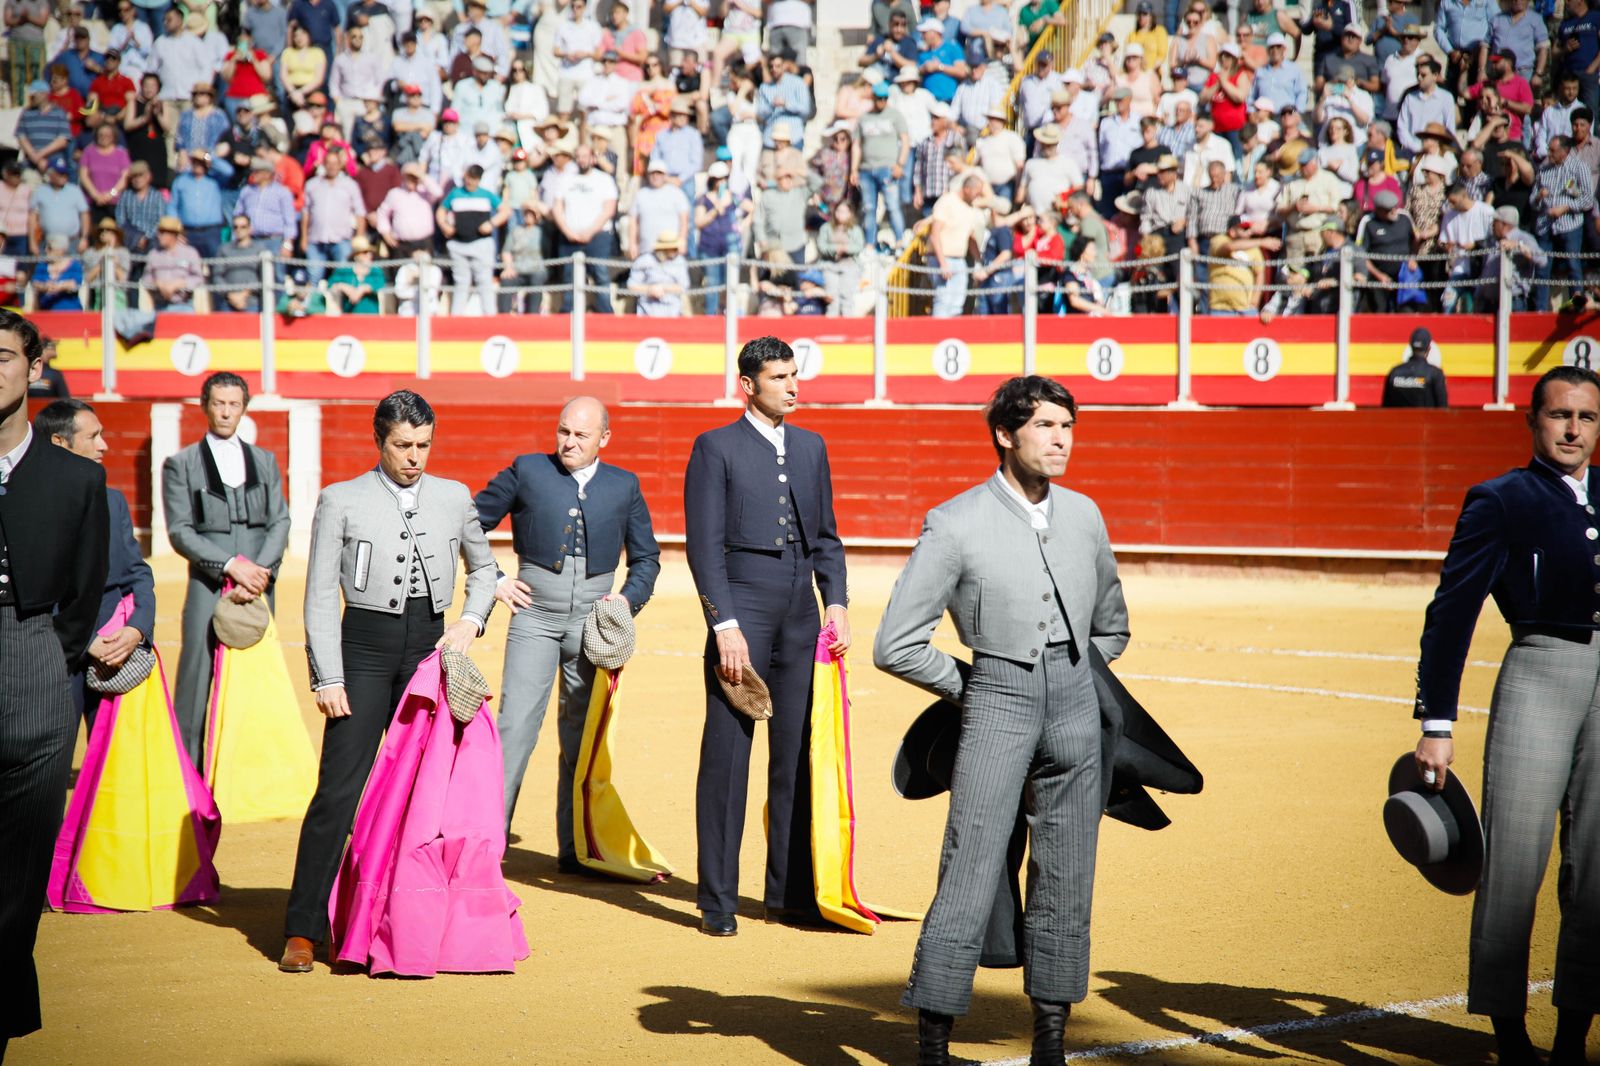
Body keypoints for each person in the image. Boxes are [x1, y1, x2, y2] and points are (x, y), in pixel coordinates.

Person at [874, 374, 1128, 1066]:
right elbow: (894, 644)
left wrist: (1076, 680)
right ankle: (932, 1048)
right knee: (971, 869)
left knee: (1068, 875)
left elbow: (1112, 627)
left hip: (1076, 714)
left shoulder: (1085, 516)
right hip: (994, 704)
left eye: (1068, 427)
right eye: (1045, 426)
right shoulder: (955, 522)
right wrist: (974, 683)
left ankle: (1051, 1043)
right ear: (1005, 434)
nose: (1060, 440)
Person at [1411, 364, 1600, 1066]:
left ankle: (1575, 1037)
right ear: (1533, 422)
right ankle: (1510, 1035)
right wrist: (1437, 721)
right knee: (1514, 859)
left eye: (1586, 417)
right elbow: (1452, 612)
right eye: (1560, 416)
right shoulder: (1501, 498)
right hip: (1539, 674)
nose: (1573, 429)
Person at [281, 389, 497, 974]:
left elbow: (487, 569)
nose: (414, 457)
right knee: (340, 790)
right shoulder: (341, 499)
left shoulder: (453, 498)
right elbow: (322, 593)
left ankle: (402, 920)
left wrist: (471, 622)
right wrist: (328, 674)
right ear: (380, 441)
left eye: (424, 445)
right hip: (364, 652)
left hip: (428, 650)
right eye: (403, 445)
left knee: (421, 795)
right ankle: (303, 927)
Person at [684, 335, 849, 937]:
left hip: (801, 611)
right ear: (748, 385)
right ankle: (718, 901)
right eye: (780, 377)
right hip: (744, 608)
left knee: (797, 753)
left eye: (795, 374)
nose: (793, 385)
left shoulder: (811, 447)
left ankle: (791, 894)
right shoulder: (715, 447)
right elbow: (703, 547)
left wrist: (836, 603)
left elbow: (826, 535)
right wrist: (723, 624)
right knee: (728, 755)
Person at [474, 396, 659, 856]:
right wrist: (496, 579)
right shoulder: (529, 469)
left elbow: (647, 559)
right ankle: (487, 843)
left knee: (581, 736)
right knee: (515, 727)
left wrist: (626, 600)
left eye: (580, 435)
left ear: (604, 439)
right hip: (534, 617)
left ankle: (576, 846)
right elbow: (469, 524)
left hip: (592, 624)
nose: (569, 442)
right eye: (563, 431)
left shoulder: (623, 485)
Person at [0, 309, 108, 1057]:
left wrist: (48, 657)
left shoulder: (77, 478)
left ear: (35, 368)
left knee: (16, 880)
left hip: (35, 654)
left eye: (3, 356)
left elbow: (85, 588)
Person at [160, 372, 290, 767]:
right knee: (196, 675)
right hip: (208, 580)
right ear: (205, 406)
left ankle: (247, 771)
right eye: (219, 403)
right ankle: (188, 773)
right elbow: (180, 531)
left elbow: (279, 522)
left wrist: (260, 571)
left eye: (234, 404)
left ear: (244, 408)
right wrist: (232, 565)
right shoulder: (180, 464)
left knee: (255, 676)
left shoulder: (264, 461)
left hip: (258, 584)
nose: (226, 411)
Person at [35, 399, 154, 728]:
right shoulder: (29, 506)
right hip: (57, 652)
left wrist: (138, 628)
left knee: (115, 766)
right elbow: (34, 590)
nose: (104, 445)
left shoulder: (113, 501)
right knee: (50, 759)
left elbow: (138, 574)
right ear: (60, 443)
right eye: (93, 436)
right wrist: (87, 642)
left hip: (117, 647)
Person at [438, 162, 509, 316]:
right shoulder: (455, 193)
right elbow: (441, 211)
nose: (470, 181)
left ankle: (490, 318)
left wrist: (491, 224)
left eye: (474, 178)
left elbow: (504, 211)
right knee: (461, 284)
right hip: (459, 245)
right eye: (469, 177)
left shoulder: (486, 194)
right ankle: (457, 319)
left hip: (481, 244)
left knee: (484, 283)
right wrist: (445, 226)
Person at [1381, 327, 1449, 406]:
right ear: (1429, 348)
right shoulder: (1436, 374)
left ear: (1410, 345)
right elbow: (1443, 409)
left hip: (1400, 418)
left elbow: (1386, 407)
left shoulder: (1394, 373)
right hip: (1426, 418)